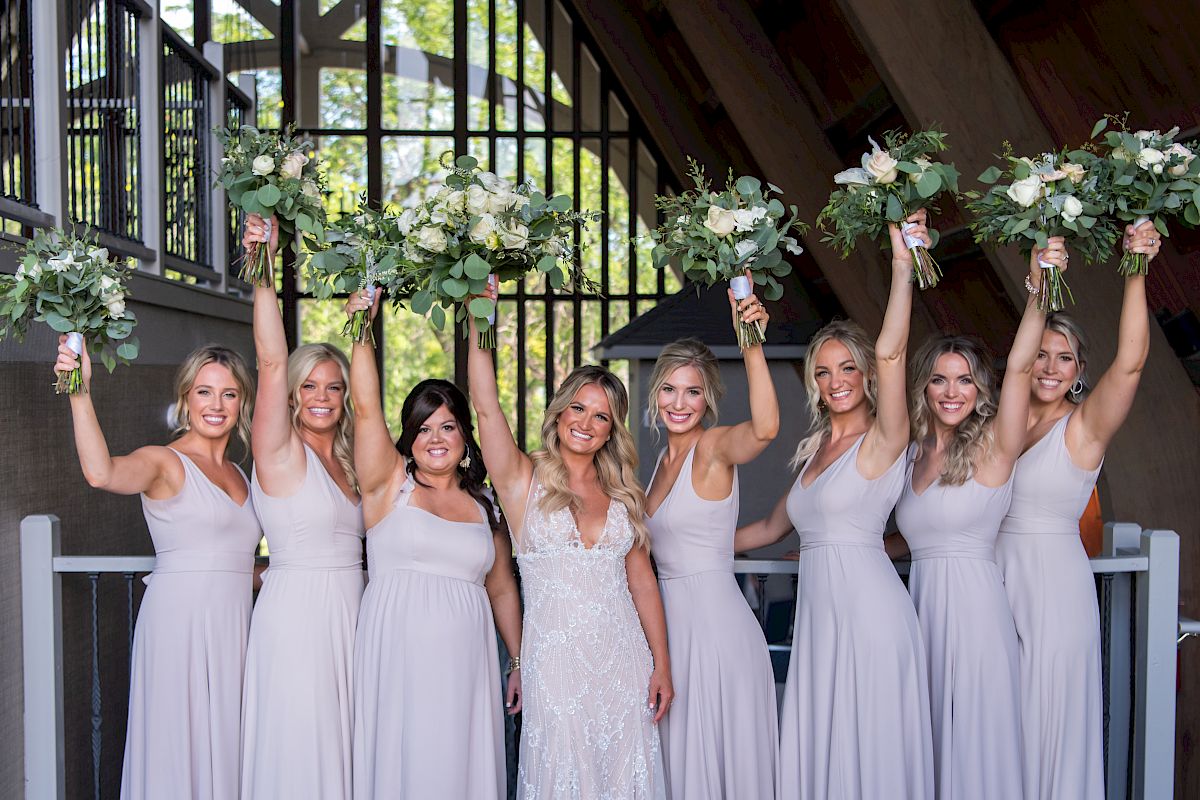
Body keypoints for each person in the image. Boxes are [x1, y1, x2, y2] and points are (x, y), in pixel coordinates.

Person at [735, 211, 935, 800]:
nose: (836, 380)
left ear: (868, 374)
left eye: (848, 367)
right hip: (821, 616)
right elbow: (772, 526)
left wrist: (902, 269)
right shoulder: (817, 447)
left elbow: (896, 355)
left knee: (869, 752)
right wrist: (684, 541)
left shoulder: (886, 436)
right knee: (827, 749)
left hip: (870, 614)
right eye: (823, 372)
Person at [467, 281, 672, 799]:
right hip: (554, 665)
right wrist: (479, 322)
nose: (586, 423)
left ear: (611, 430)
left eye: (600, 415)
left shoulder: (623, 492)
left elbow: (642, 582)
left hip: (625, 662)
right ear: (559, 413)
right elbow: (487, 409)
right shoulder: (521, 479)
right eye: (577, 409)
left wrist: (662, 664)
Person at [890, 240, 1061, 799]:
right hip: (922, 615)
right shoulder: (911, 454)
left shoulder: (995, 445)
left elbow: (1018, 366)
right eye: (940, 379)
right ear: (925, 387)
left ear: (979, 389)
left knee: (977, 747)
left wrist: (1037, 286)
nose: (952, 391)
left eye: (964, 380)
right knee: (931, 743)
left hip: (978, 617)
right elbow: (920, 534)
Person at [996, 221, 1160, 799]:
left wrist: (1135, 270)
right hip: (993, 580)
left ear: (1080, 371)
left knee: (1050, 719)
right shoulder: (1000, 423)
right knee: (996, 723)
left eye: (1064, 359)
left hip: (1053, 587)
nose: (1048, 367)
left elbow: (1133, 362)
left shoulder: (1085, 428)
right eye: (1041, 354)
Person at [55, 341, 260, 800]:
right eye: (204, 392)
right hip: (179, 627)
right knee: (177, 746)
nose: (216, 405)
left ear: (242, 402)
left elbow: (234, 562)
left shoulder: (240, 473)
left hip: (235, 630)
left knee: (229, 746)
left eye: (229, 394)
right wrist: (79, 391)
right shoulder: (164, 462)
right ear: (186, 398)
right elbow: (101, 473)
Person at [345, 290, 522, 799]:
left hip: (467, 664)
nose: (436, 438)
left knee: (457, 770)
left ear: (466, 436)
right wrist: (361, 328)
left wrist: (519, 661)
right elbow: (363, 407)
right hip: (398, 656)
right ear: (408, 436)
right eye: (423, 428)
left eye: (447, 426)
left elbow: (503, 590)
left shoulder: (486, 503)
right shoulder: (388, 486)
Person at [238, 214, 365, 799]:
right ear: (291, 393)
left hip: (355, 614)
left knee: (348, 747)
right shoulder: (279, 452)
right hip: (298, 619)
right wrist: (263, 269)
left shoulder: (354, 463)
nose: (321, 397)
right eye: (309, 385)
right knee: (301, 747)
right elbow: (267, 360)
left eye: (333, 386)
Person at [643, 284, 779, 799]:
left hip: (715, 629)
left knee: (720, 759)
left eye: (693, 391)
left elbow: (766, 429)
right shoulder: (658, 463)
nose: (680, 403)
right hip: (671, 627)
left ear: (709, 399)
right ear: (656, 394)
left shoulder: (713, 448)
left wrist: (750, 339)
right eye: (670, 390)